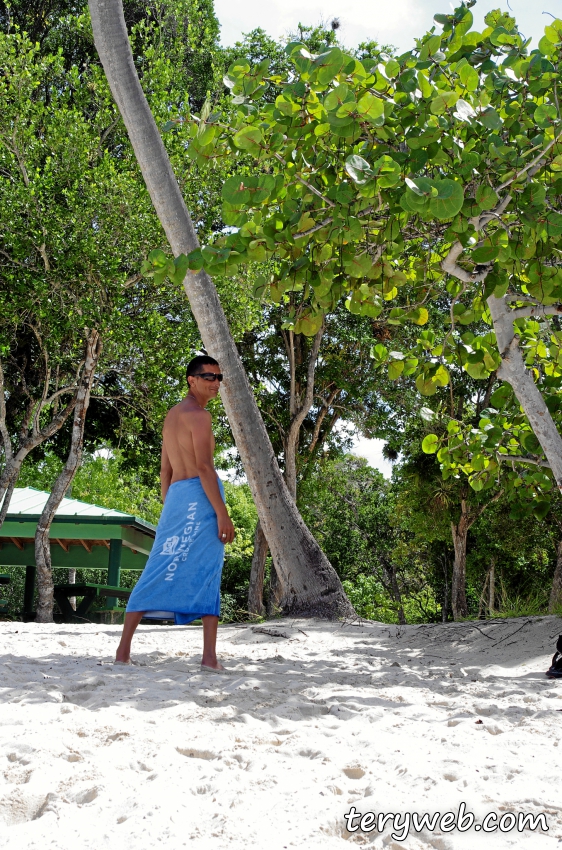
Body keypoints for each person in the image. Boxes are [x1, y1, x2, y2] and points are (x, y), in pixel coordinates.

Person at [114, 355, 235, 672]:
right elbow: (205, 468)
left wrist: (170, 507)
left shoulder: (172, 416)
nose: (215, 382)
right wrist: (222, 514)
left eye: (219, 377)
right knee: (207, 570)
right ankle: (209, 657)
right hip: (201, 495)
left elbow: (165, 470)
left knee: (159, 564)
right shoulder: (200, 416)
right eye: (208, 376)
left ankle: (123, 649)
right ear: (191, 379)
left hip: (178, 497)